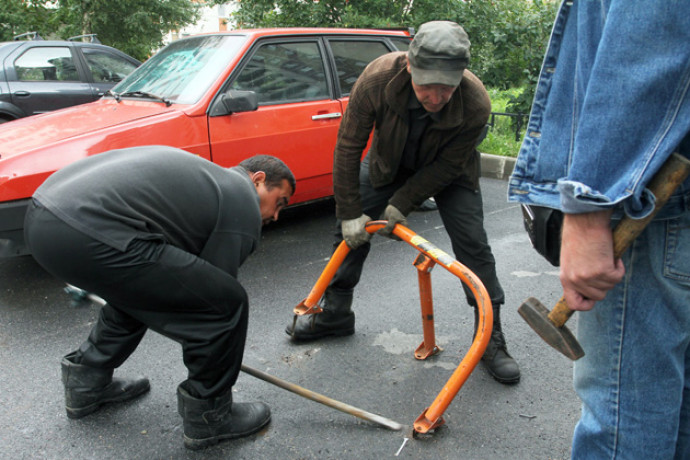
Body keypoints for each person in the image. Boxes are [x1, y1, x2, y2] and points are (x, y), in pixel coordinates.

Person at [286, 21, 520, 384]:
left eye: (447, 87)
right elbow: (348, 147)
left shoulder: (475, 102)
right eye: (428, 85)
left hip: (450, 173)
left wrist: (402, 203)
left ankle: (490, 337)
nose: (437, 97)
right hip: (387, 164)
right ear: (410, 65)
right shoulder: (377, 80)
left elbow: (447, 164)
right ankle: (335, 314)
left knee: (474, 245)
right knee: (349, 232)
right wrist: (350, 213)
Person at [508, 1, 690, 458]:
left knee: (624, 416)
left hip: (651, 207)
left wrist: (590, 208)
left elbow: (645, 45)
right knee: (677, 401)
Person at [23, 146, 295, 450]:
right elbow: (212, 295)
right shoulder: (240, 196)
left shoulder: (204, 184)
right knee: (224, 305)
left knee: (147, 291)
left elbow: (172, 286)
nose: (275, 215)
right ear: (257, 180)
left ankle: (86, 384)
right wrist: (216, 344)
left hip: (43, 218)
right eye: (278, 202)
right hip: (89, 227)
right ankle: (210, 416)